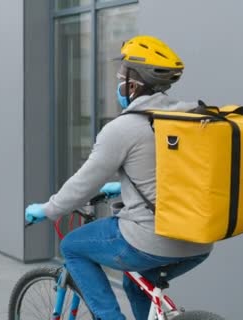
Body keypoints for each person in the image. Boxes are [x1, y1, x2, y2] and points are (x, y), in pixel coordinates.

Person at [25, 35, 213, 320]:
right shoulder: (189, 119)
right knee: (135, 283)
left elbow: (84, 183)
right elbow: (163, 173)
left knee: (72, 247)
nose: (118, 82)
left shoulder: (124, 128)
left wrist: (48, 209)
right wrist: (122, 188)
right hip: (199, 240)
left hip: (151, 239)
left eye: (121, 76)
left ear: (134, 84)